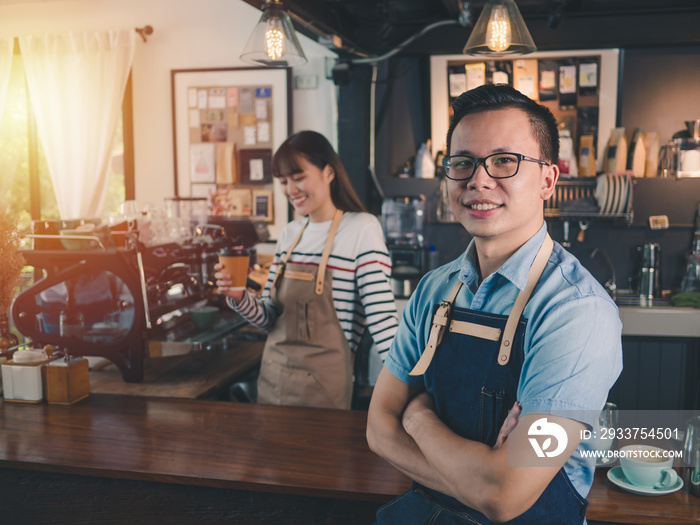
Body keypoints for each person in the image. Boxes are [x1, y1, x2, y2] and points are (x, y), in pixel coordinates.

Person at [366, 84, 623, 524]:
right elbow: (378, 429)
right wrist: (482, 483)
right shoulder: (433, 290)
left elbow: (507, 495)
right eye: (462, 162)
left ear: (547, 180)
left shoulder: (577, 312)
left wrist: (419, 418)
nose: (478, 180)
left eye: (505, 161)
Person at [216, 130, 398, 409]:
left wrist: (409, 390)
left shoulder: (361, 229)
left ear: (329, 172)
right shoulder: (290, 235)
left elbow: (383, 322)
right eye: (283, 182)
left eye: (298, 178)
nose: (290, 190)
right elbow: (268, 319)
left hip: (324, 393)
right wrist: (238, 297)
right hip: (273, 384)